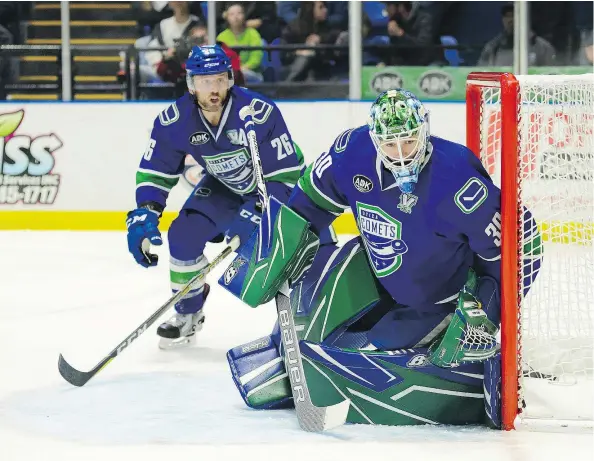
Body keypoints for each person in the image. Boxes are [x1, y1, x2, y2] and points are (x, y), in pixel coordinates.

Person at [223, 89, 542, 427]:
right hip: (377, 273)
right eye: (390, 144)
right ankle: (285, 355)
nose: (401, 154)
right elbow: (310, 203)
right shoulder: (351, 152)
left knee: (375, 351)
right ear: (375, 140)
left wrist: (485, 311)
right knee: (313, 302)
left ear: (424, 130)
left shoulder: (457, 177)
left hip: (437, 298)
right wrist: (278, 245)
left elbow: (522, 248)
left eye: (409, 141)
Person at [125, 44, 309, 350]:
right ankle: (188, 313)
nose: (214, 89)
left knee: (288, 256)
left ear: (230, 79)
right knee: (183, 235)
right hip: (225, 188)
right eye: (205, 81)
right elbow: (156, 168)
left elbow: (288, 173)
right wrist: (146, 210)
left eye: (220, 79)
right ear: (191, 84)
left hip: (272, 190)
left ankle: (308, 318)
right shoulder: (176, 119)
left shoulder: (259, 112)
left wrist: (261, 212)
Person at [478, 3, 556, 66]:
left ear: (524, 17)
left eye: (514, 15)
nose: (510, 20)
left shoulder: (542, 48)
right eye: (507, 16)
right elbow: (481, 77)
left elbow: (552, 78)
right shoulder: (492, 48)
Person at [216, 3, 264, 83]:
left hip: (251, 73)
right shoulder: (221, 37)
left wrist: (242, 69)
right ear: (227, 17)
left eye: (239, 13)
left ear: (244, 16)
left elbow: (256, 58)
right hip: (228, 73)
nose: (236, 17)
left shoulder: (253, 33)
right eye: (232, 14)